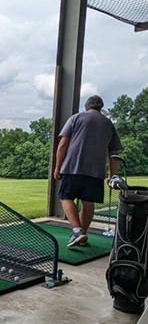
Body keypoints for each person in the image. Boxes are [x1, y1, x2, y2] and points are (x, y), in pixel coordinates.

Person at [54, 95, 122, 247]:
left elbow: (63, 144)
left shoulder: (75, 118)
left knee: (65, 197)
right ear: (100, 107)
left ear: (86, 106)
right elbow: (114, 153)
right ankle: (81, 236)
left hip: (72, 167)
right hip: (96, 171)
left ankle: (77, 231)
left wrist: (58, 167)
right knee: (88, 202)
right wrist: (112, 175)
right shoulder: (108, 123)